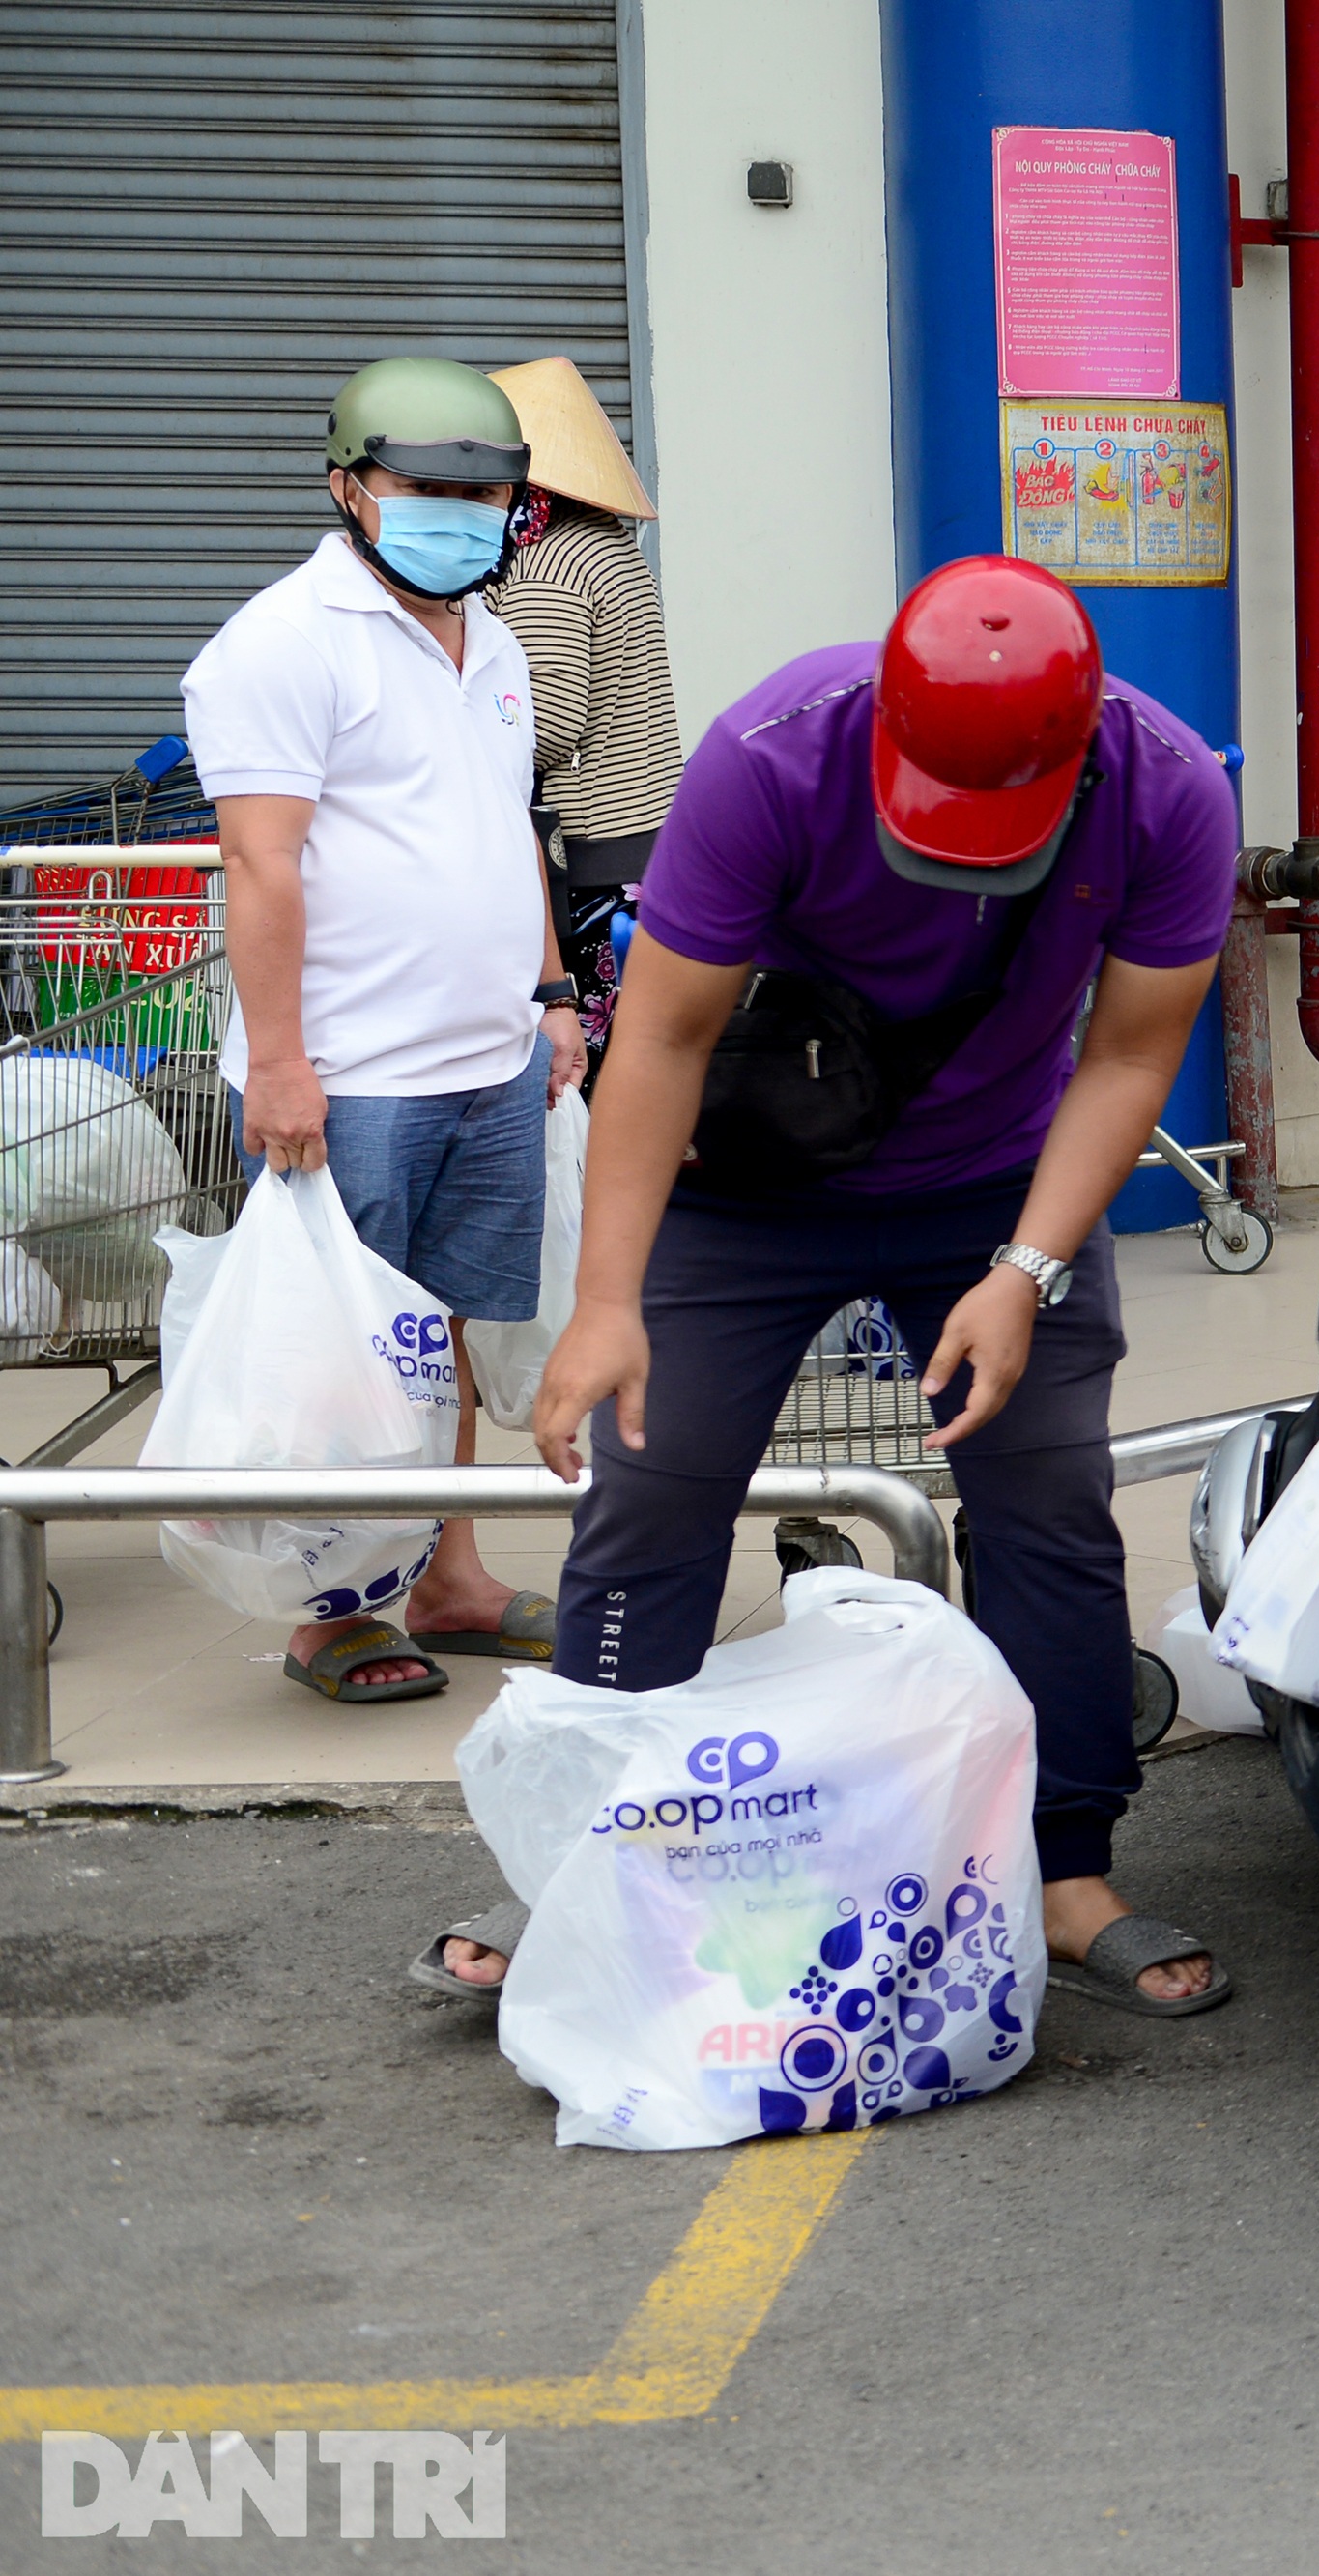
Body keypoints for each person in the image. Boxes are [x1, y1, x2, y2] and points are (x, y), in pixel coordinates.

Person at [409, 555, 1241, 2015]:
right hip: (749, 1183)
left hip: (997, 1183)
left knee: (1049, 1494)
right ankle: (578, 1854)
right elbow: (658, 1037)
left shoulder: (1171, 790)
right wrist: (606, 1302)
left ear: (1083, 744)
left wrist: (1028, 1268)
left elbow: (1125, 1053)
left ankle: (1063, 1860)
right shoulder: (772, 756)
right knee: (652, 1483)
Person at [182, 355, 584, 1704]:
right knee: (341, 1357)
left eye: (490, 491)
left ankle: (447, 1574)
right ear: (349, 486)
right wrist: (282, 1062)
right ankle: (325, 1611)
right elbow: (263, 867)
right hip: (350, 1078)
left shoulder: (499, 637)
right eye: (430, 487)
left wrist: (548, 994)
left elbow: (503, 828)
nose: (464, 512)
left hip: (491, 1060)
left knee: (448, 1331)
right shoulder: (281, 645)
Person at [484, 354, 684, 1084]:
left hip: (596, 860)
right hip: (646, 848)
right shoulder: (604, 546)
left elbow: (547, 723)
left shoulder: (547, 565)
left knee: (592, 1082)